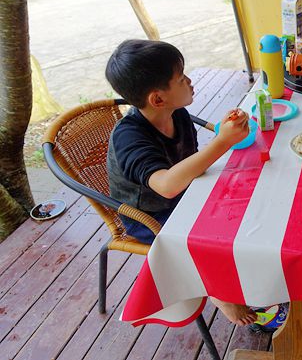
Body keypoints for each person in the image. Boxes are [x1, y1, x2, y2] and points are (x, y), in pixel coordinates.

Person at [105, 39, 257, 325]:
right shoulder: (129, 137)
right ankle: (218, 293)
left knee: (249, 205)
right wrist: (223, 141)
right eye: (181, 78)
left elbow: (189, 163)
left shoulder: (178, 115)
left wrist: (226, 131)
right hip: (149, 215)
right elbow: (166, 185)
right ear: (157, 99)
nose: (189, 81)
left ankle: (244, 275)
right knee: (216, 233)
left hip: (185, 194)